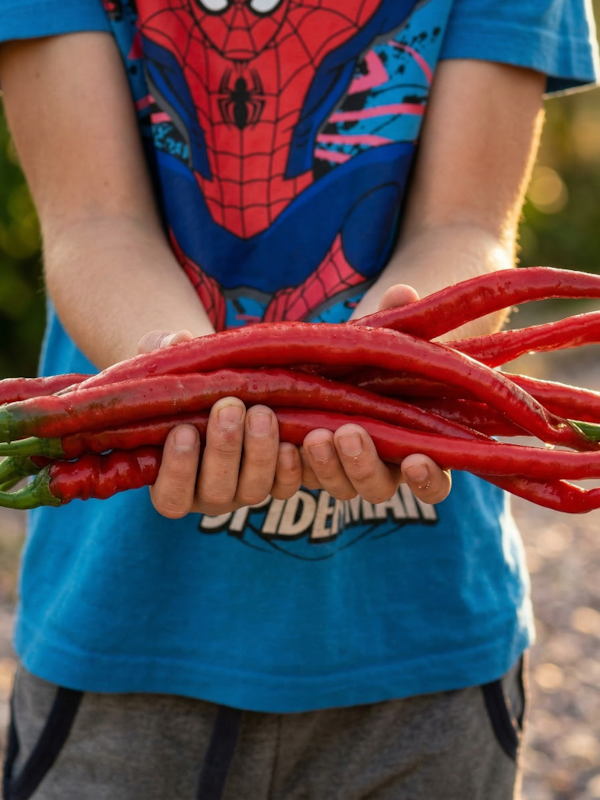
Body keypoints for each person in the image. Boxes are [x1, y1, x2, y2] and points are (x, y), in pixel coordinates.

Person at [0, 1, 597, 798]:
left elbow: (466, 223)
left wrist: (370, 370)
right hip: (123, 633)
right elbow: (94, 223)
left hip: (426, 649)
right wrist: (193, 385)